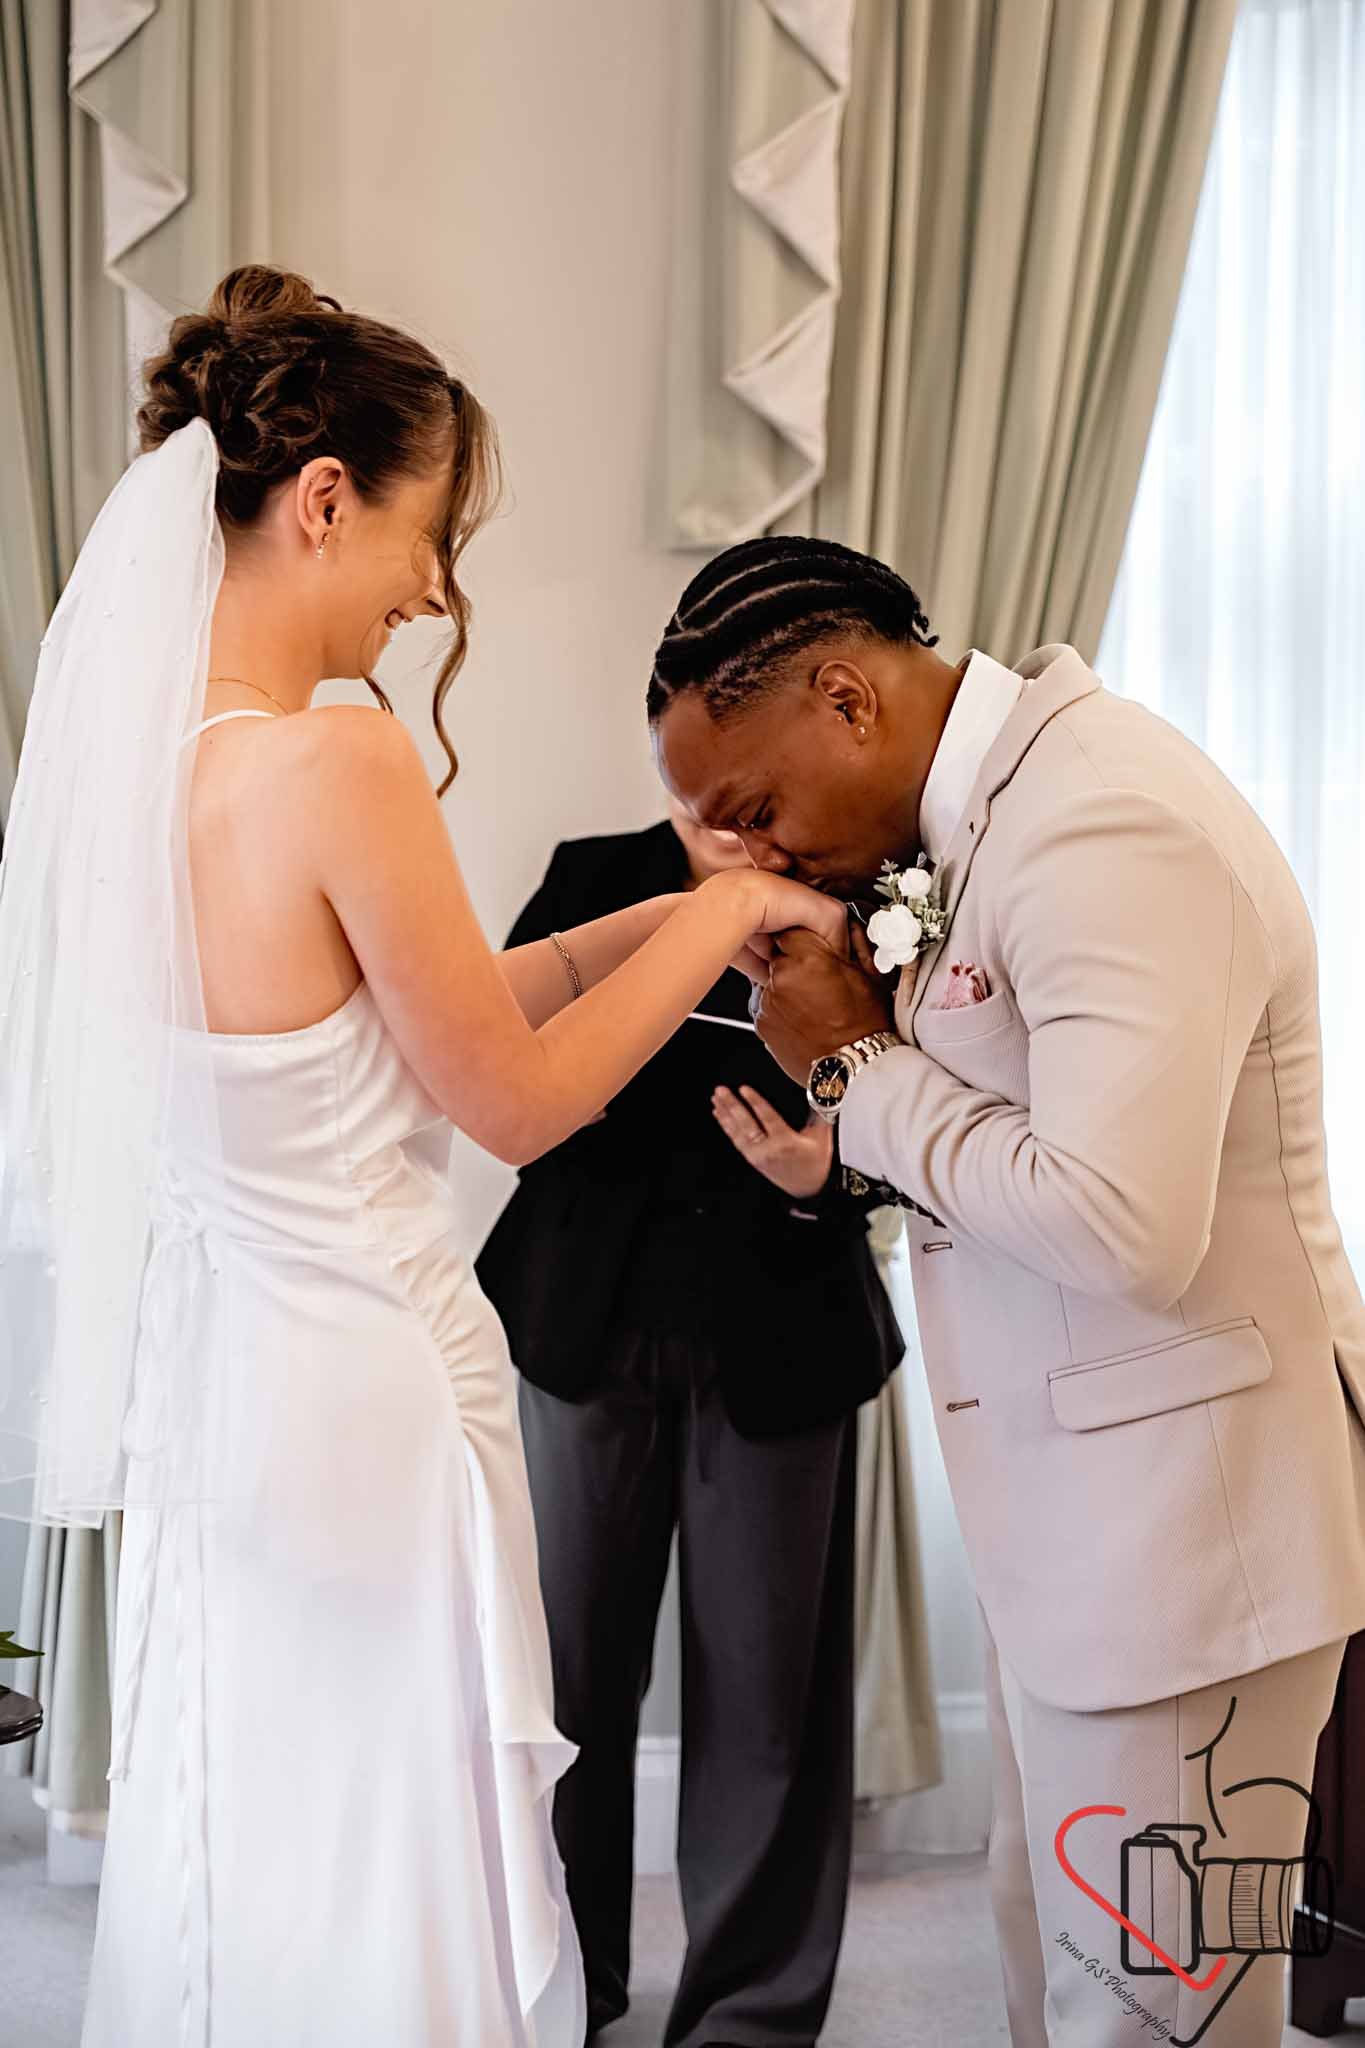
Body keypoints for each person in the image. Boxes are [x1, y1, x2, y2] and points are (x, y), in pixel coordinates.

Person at [0, 272, 848, 2048]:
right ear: (323, 498)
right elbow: (513, 1103)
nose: (434, 588)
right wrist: (732, 919)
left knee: (258, 1841)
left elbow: (424, 1019)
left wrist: (657, 913)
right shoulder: (338, 756)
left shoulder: (153, 769)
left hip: (225, 1397)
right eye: (428, 533)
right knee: (378, 1864)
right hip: (360, 1409)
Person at [648, 534, 1365, 2048]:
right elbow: (1017, 1141)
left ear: (848, 697)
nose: (754, 857)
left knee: (1152, 2016)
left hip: (1186, 1548)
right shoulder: (993, 816)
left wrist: (858, 1065)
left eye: (754, 810)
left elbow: (1120, 1222)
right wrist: (851, 1115)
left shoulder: (1104, 819)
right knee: (1060, 1982)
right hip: (1083, 1540)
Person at [478, 800, 902, 2048]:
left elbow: (927, 1103)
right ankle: (568, 1982)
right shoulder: (593, 878)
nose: (720, 808)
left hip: (786, 1336)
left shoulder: (859, 895)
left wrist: (830, 1172)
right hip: (583, 1327)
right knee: (565, 1686)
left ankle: (749, 2016)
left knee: (769, 1697)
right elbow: (499, 1067)